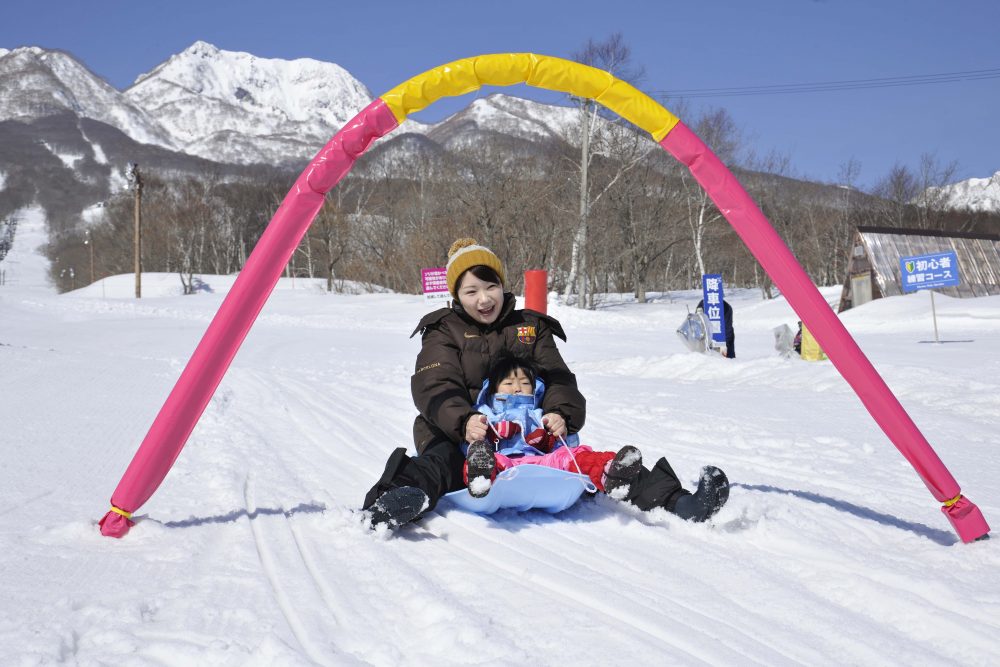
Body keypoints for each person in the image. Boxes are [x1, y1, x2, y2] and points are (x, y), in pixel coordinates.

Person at [363, 238, 729, 529]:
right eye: (471, 291)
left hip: (530, 433)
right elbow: (434, 384)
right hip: (461, 431)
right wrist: (463, 421)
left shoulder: (529, 326)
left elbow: (557, 376)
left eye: (490, 286)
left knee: (591, 461)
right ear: (456, 295)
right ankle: (392, 503)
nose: (484, 298)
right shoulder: (444, 329)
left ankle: (679, 502)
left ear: (502, 285)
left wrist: (559, 413)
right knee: (438, 462)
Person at [462, 353, 642, 500]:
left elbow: (567, 443)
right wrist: (485, 434)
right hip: (505, 462)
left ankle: (608, 471)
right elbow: (467, 443)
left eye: (525, 383)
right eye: (509, 383)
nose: (517, 388)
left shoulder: (540, 414)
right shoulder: (484, 413)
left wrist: (556, 431)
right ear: (493, 389)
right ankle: (480, 477)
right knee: (483, 457)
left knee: (574, 455)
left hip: (543, 462)